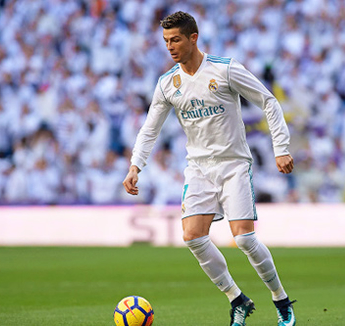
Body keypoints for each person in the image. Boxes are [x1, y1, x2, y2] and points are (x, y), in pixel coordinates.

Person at [123, 11, 296, 326]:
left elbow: (268, 101)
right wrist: (136, 165)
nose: (170, 47)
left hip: (233, 165)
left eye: (176, 39)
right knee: (192, 236)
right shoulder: (167, 84)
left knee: (244, 239)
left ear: (193, 38)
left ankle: (281, 299)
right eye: (165, 41)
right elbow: (150, 129)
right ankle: (237, 299)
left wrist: (280, 148)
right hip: (199, 168)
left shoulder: (225, 69)